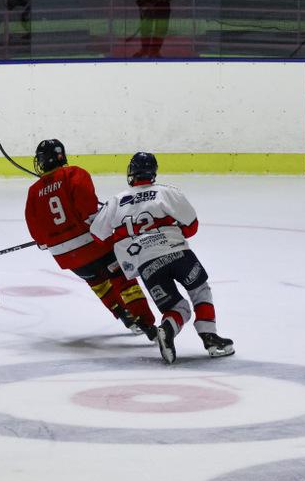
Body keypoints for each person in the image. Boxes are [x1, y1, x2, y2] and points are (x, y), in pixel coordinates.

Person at [90, 152, 234, 365]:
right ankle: (210, 338)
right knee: (200, 290)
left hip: (146, 264)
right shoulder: (167, 192)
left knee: (176, 308)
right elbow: (191, 226)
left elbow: (97, 235)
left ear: (132, 172)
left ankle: (167, 328)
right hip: (178, 253)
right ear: (153, 172)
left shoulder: (116, 201)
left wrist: (124, 240)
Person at [23, 139, 157, 338]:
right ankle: (146, 323)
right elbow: (90, 216)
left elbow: (40, 239)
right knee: (122, 279)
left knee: (98, 283)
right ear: (61, 156)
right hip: (95, 246)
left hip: (67, 258)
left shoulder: (34, 191)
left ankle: (124, 316)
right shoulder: (74, 174)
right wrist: (106, 216)